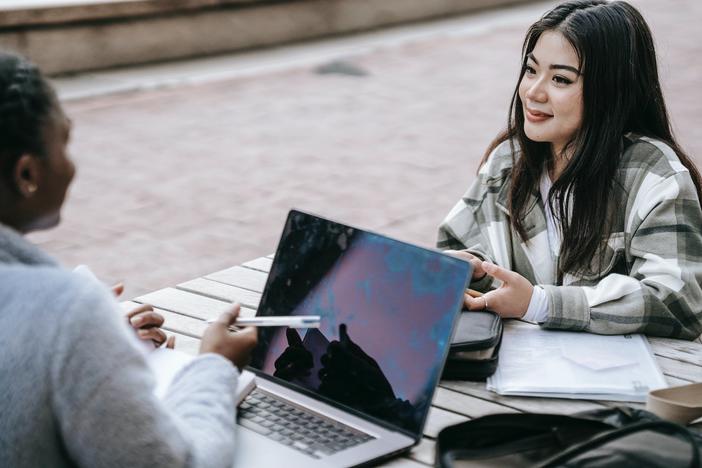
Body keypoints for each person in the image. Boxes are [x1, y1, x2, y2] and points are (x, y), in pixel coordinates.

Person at [0, 51, 257, 467]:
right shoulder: (66, 311)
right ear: (27, 174)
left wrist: (98, 355)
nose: (72, 165)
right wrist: (214, 365)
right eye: (63, 141)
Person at [437, 0, 702, 340]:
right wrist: (469, 271)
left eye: (560, 79)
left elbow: (678, 301)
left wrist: (541, 304)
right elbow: (461, 242)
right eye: (531, 70)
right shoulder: (508, 161)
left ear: (610, 90)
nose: (533, 91)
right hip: (509, 373)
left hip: (621, 383)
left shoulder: (654, 174)